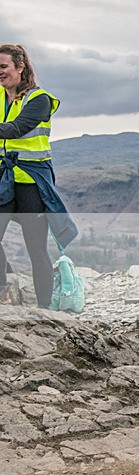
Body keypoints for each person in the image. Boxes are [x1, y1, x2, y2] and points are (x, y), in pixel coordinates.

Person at [1, 44, 77, 308]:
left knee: (36, 249)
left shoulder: (39, 100)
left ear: (20, 67)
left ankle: (45, 311)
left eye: (3, 67)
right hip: (4, 181)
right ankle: (3, 295)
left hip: (31, 184)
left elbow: (15, 129)